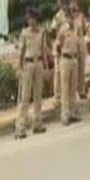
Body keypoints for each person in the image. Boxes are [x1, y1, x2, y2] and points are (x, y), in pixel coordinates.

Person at [14, 8, 48, 139]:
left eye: (33, 18)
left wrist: (46, 67)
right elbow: (21, 51)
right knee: (25, 97)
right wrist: (19, 67)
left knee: (38, 95)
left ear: (36, 19)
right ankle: (20, 126)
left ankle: (37, 123)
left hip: (38, 63)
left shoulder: (41, 32)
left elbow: (43, 50)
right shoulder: (24, 33)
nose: (31, 21)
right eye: (29, 18)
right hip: (28, 64)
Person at [57, 13, 82, 126]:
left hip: (74, 59)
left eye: (73, 17)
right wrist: (62, 56)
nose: (71, 20)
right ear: (66, 18)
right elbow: (58, 46)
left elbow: (78, 45)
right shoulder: (63, 30)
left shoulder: (75, 30)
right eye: (69, 17)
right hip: (66, 59)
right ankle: (65, 114)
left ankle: (72, 112)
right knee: (65, 88)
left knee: (73, 88)